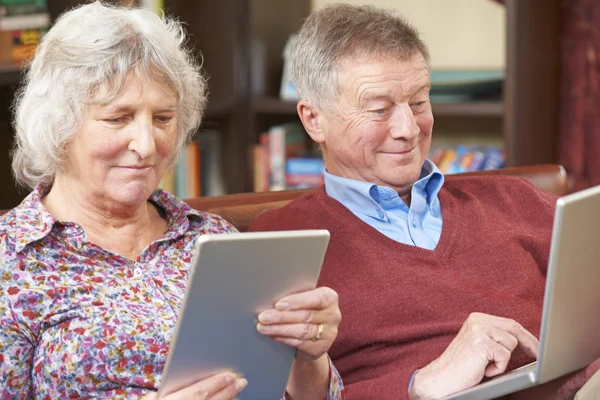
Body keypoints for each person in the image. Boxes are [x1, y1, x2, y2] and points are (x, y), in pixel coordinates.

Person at [248, 4, 600, 400]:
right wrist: (421, 384)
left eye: (419, 102)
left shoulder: (519, 200)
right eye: (379, 109)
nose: (408, 129)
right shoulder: (280, 242)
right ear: (314, 120)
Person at [0, 2, 344, 399]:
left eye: (163, 119)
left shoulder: (213, 239)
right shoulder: (13, 260)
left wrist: (308, 357)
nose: (147, 146)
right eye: (118, 118)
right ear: (58, 125)